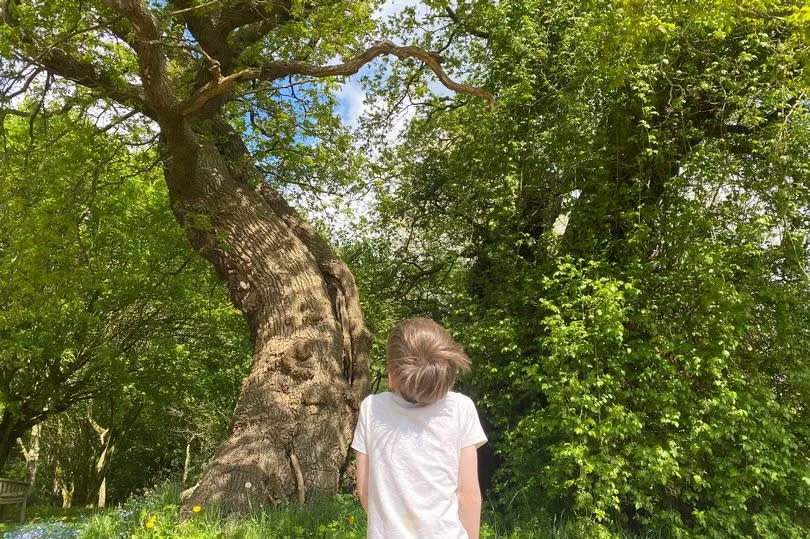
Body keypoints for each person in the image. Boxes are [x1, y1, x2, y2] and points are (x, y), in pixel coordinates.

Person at [352, 317, 488, 538]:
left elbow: (365, 491)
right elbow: (468, 495)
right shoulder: (461, 409)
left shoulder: (372, 409)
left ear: (392, 377)